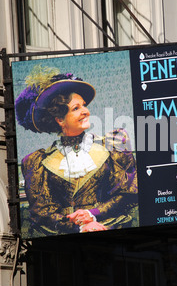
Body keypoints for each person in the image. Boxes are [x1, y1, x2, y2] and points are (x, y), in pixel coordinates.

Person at [15, 67, 138, 236]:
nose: (85, 111)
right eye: (76, 108)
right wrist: (78, 227)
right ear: (60, 120)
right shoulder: (36, 162)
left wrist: (92, 215)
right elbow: (42, 213)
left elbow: (129, 193)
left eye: (84, 106)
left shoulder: (114, 144)